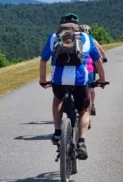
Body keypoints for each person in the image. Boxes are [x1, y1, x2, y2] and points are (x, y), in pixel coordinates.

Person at [39, 13, 107, 160]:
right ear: (77, 25)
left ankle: (57, 133)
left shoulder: (53, 38)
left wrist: (43, 80)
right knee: (83, 111)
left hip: (58, 81)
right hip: (80, 80)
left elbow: (43, 60)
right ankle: (81, 143)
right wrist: (101, 79)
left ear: (61, 25)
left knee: (57, 101)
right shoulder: (86, 38)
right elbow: (98, 62)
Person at [80, 24, 107, 119]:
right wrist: (104, 58)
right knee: (91, 88)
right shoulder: (92, 40)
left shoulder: (77, 39)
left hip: (79, 68)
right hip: (91, 66)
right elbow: (101, 51)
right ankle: (91, 105)